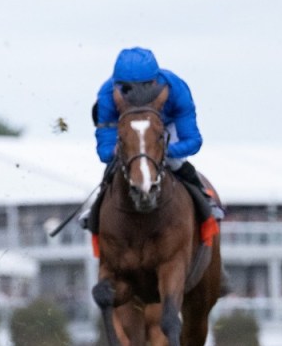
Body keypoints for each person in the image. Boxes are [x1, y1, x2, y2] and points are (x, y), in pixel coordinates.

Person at [91, 47, 222, 219]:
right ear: (117, 85)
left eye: (145, 87)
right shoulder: (107, 95)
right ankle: (95, 212)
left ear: (155, 81)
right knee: (113, 167)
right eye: (127, 89)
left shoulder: (176, 89)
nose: (137, 96)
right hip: (127, 130)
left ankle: (205, 201)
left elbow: (193, 140)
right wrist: (117, 151)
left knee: (175, 162)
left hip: (166, 127)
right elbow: (104, 151)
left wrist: (163, 151)